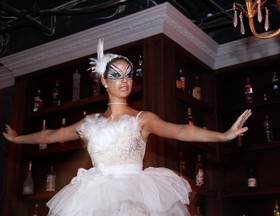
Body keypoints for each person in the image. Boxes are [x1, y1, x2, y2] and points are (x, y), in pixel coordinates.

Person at [2, 39, 252, 216]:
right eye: (117, 75)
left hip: (136, 198)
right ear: (103, 81)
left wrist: (222, 135)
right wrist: (17, 139)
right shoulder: (90, 122)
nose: (125, 81)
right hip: (93, 200)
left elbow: (179, 130)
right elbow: (53, 134)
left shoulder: (142, 118)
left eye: (129, 75)